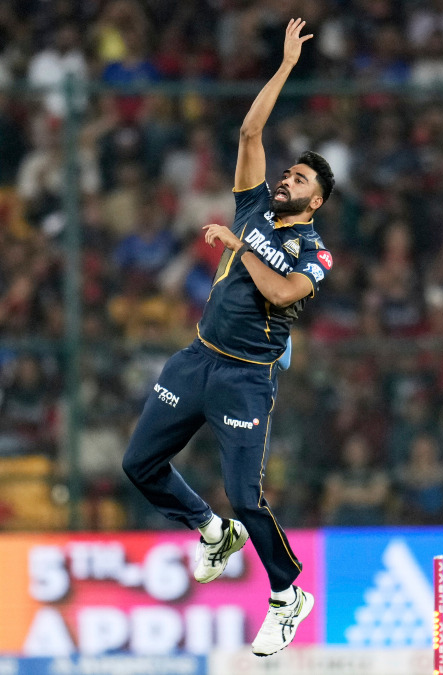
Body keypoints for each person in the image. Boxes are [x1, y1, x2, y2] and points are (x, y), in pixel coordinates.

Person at [120, 20, 331, 657]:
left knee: (247, 496)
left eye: (301, 181)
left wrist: (243, 247)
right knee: (139, 465)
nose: (287, 179)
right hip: (198, 359)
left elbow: (283, 295)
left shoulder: (314, 251)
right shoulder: (252, 206)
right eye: (289, 172)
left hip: (246, 378)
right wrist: (287, 65)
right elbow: (249, 131)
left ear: (315, 203)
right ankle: (211, 532)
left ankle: (288, 593)